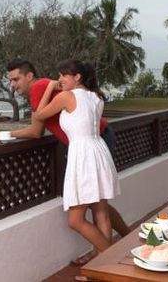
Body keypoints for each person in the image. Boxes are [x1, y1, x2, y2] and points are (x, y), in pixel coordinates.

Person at [0, 59, 129, 259]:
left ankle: (109, 257)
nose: (12, 85)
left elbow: (36, 129)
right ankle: (110, 253)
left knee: (83, 213)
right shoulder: (93, 96)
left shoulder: (43, 88)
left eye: (16, 79)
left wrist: (1, 134)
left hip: (86, 151)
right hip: (98, 145)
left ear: (29, 76)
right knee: (99, 206)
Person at [35, 59, 119, 254]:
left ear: (77, 77)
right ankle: (103, 266)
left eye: (64, 75)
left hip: (83, 157)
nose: (60, 79)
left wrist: (49, 88)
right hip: (99, 152)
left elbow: (39, 115)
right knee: (101, 214)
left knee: (75, 220)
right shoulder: (96, 97)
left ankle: (111, 259)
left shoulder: (66, 96)